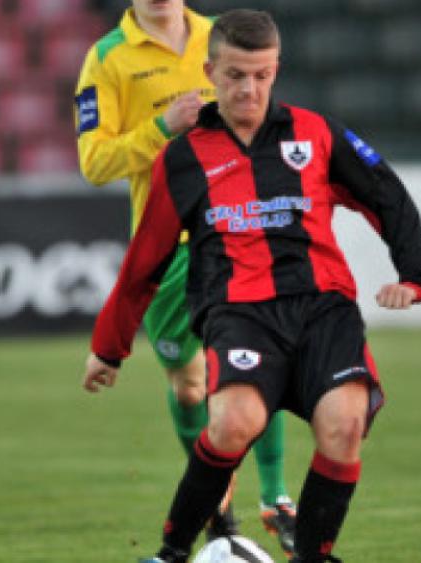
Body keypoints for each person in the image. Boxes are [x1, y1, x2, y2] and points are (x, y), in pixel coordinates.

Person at [82, 8, 421, 563]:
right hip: (239, 310)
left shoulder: (314, 133)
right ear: (210, 72)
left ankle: (312, 556)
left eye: (262, 75)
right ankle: (172, 553)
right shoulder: (183, 157)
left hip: (324, 307)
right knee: (233, 421)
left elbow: (386, 192)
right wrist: (110, 346)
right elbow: (145, 259)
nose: (249, 89)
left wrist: (414, 276)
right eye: (235, 76)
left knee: (345, 425)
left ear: (277, 70)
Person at [73, 0, 297, 554]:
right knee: (191, 382)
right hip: (166, 244)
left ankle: (275, 496)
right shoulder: (107, 58)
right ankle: (218, 498)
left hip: (235, 229)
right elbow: (95, 162)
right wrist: (160, 128)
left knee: (259, 362)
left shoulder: (220, 37)